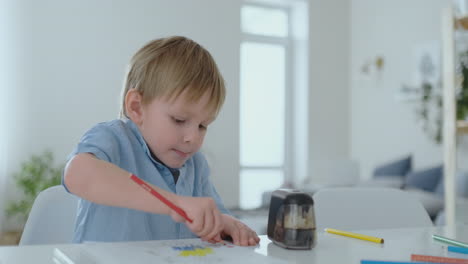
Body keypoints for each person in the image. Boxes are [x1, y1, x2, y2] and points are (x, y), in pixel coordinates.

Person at [63, 36, 260, 246]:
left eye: (203, 125)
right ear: (137, 107)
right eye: (179, 120)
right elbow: (78, 174)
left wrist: (224, 223)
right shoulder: (113, 138)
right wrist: (174, 203)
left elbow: (213, 218)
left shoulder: (195, 165)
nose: (193, 137)